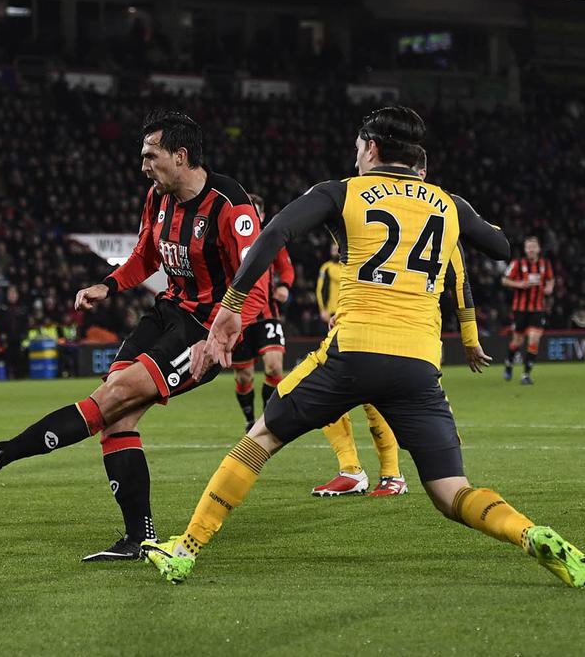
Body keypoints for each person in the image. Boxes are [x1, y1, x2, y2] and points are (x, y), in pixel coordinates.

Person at [142, 106, 584, 588]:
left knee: (261, 439)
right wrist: (453, 212)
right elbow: (500, 247)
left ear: (371, 148)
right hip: (418, 362)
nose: (356, 157)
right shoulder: (448, 203)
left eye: (358, 148)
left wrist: (232, 304)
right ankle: (528, 533)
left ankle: (185, 548)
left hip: (353, 352)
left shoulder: (343, 192)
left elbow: (275, 233)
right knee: (452, 492)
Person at [0, 111, 269, 562]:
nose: (143, 165)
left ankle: (4, 454)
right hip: (167, 313)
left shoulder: (230, 205)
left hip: (206, 331)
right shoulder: (157, 198)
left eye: (151, 156)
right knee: (116, 420)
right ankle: (137, 538)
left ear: (181, 157)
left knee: (112, 396)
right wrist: (110, 284)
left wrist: (226, 330)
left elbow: (254, 278)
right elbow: (146, 255)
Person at [311, 145, 485, 499]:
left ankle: (385, 473)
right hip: (367, 326)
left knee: (360, 395)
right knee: (344, 395)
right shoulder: (373, 215)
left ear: (421, 175)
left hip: (410, 334)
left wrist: (471, 339)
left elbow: (459, 283)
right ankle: (360, 471)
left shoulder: (440, 221)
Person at [231, 193, 293, 430]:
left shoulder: (271, 238)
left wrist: (285, 286)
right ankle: (249, 420)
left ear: (263, 215)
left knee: (274, 366)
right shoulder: (228, 237)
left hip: (267, 312)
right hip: (238, 315)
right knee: (244, 376)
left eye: (257, 211)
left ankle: (265, 420)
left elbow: (286, 269)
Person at [502, 235, 554, 384]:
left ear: (538, 249)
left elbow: (551, 279)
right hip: (520, 310)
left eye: (534, 247)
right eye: (528, 247)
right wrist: (519, 285)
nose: (531, 249)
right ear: (525, 249)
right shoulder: (518, 263)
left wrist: (550, 287)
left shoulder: (545, 264)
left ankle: (525, 375)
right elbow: (504, 280)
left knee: (534, 339)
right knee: (517, 341)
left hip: (538, 309)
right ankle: (509, 363)